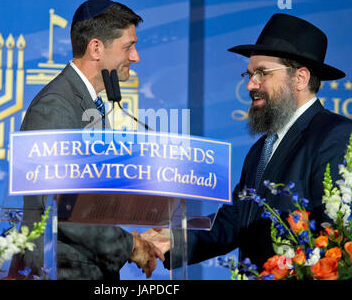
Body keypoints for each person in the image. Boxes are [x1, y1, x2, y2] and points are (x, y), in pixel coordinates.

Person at [142, 13, 352, 271]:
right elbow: (236, 220)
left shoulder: (336, 136)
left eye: (262, 73)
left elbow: (335, 237)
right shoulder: (260, 150)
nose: (251, 85)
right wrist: (172, 239)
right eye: (250, 74)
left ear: (300, 78)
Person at [9, 0, 164, 280]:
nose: (136, 57)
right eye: (128, 46)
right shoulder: (56, 105)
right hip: (57, 271)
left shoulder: (88, 104)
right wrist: (129, 245)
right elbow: (64, 206)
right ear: (96, 48)